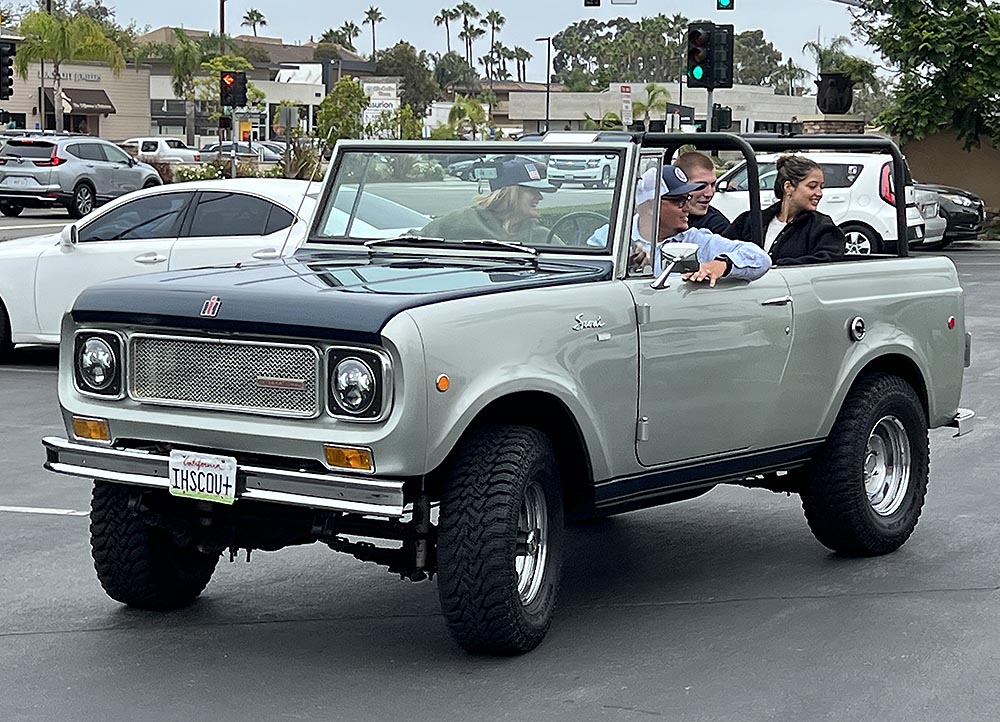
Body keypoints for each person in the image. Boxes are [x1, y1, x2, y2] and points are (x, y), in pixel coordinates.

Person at [588, 164, 771, 286]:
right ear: (651, 206)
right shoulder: (610, 236)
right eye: (679, 201)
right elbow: (584, 277)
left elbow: (761, 258)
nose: (687, 207)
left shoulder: (696, 239)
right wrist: (621, 265)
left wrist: (721, 264)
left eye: (688, 199)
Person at [724, 154, 846, 265]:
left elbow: (828, 260)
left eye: (821, 187)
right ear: (788, 187)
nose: (819, 193)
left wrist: (776, 265)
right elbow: (721, 249)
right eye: (812, 186)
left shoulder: (822, 227)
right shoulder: (749, 221)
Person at [420, 158, 559, 244]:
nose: (540, 197)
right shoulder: (465, 220)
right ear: (511, 194)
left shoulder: (541, 236)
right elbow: (409, 241)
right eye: (532, 191)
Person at [675, 150, 730, 234]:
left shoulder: (717, 225)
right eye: (700, 186)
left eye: (713, 185)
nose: (709, 194)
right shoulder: (657, 217)